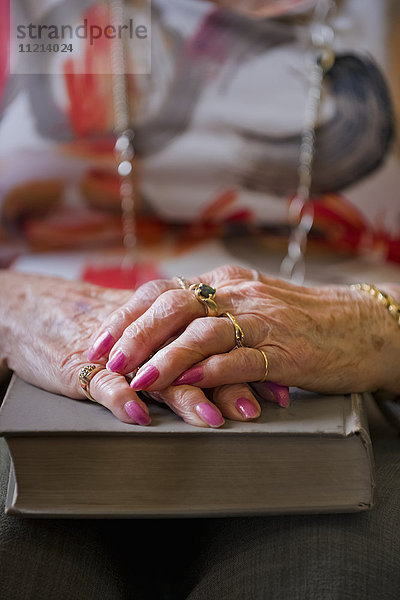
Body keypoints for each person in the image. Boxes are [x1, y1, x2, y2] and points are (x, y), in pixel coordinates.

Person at [1, 0, 400, 598]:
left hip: (336, 383)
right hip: (39, 372)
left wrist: (372, 321)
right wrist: (14, 307)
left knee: (331, 572)